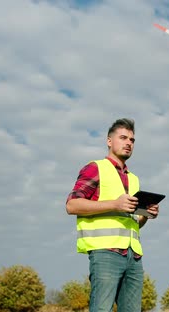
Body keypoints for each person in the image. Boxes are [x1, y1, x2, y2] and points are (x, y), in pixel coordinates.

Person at [66, 118, 159, 312]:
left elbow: (133, 222)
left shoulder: (133, 179)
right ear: (109, 141)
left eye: (132, 140)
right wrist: (115, 204)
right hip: (106, 253)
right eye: (123, 137)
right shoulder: (96, 168)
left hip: (133, 257)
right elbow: (72, 204)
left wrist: (145, 215)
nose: (128, 143)